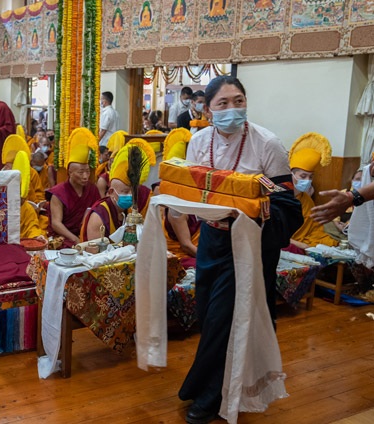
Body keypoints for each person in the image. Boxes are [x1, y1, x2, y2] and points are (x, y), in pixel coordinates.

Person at [179, 76, 303, 424]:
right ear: (207, 109)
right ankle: (204, 383)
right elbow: (193, 194)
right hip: (212, 241)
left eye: (239, 101)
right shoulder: (199, 142)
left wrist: (248, 209)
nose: (232, 109)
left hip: (250, 244)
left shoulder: (268, 144)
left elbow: (286, 206)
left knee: (227, 319)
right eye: (223, 103)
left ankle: (212, 398)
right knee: (209, 315)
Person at [80, 139, 155, 242]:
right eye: (124, 192)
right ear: (110, 192)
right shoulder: (99, 216)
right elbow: (94, 253)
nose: (130, 196)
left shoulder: (128, 213)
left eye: (132, 193)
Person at [46, 128, 101, 248]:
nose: (85, 176)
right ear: (70, 172)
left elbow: (97, 214)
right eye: (81, 173)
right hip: (65, 237)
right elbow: (56, 223)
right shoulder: (58, 193)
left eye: (87, 172)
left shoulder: (93, 190)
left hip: (86, 235)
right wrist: (75, 239)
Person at [287, 133, 338, 250]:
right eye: (303, 176)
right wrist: (298, 244)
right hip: (285, 242)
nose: (307, 181)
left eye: (311, 177)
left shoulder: (306, 199)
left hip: (305, 239)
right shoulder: (278, 195)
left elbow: (314, 227)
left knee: (329, 242)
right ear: (291, 174)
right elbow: (273, 233)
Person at [162, 128, 200, 267]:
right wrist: (210, 259)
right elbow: (186, 246)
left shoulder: (196, 196)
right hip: (182, 258)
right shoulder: (176, 207)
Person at [15, 151, 45, 240]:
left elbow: (32, 226)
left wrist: (36, 236)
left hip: (24, 242)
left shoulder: (26, 207)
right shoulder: (0, 203)